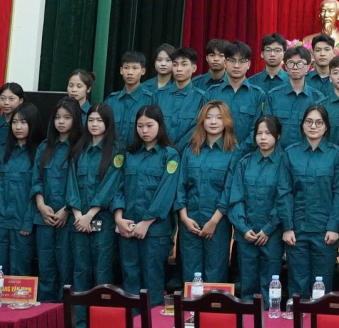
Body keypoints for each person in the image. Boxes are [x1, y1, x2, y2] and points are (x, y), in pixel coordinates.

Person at [277, 105, 339, 298]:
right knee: (297, 284)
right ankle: (297, 317)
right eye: (309, 122)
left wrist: (334, 227)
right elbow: (284, 192)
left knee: (321, 285)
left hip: (325, 232)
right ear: (302, 125)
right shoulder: (290, 153)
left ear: (326, 127)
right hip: (297, 231)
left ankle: (320, 317)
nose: (313, 126)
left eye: (319, 122)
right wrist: (287, 227)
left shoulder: (335, 154)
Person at [114, 105, 180, 304]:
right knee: (130, 279)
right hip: (127, 227)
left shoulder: (170, 155)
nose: (144, 130)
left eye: (149, 125)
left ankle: (151, 323)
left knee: (152, 281)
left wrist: (146, 222)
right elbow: (118, 187)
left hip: (155, 231)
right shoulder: (129, 154)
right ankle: (132, 323)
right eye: (140, 126)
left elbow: (165, 194)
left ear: (160, 125)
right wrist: (118, 218)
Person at [68, 103, 121, 328]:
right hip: (79, 221)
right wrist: (78, 214)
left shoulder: (116, 151)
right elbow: (71, 184)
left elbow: (111, 185)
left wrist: (90, 214)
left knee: (102, 275)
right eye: (91, 120)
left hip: (103, 221)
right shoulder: (78, 149)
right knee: (80, 274)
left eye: (100, 120)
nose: (95, 124)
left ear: (108, 123)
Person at [177, 101, 236, 283]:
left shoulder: (233, 151)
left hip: (218, 223)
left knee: (214, 276)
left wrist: (214, 221)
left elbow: (230, 191)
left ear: (227, 121)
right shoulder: (190, 150)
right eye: (208, 117)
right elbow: (181, 186)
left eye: (219, 117)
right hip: (190, 222)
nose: (213, 122)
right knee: (190, 276)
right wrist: (184, 218)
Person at [229, 115, 284, 307]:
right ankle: (247, 323)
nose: (263, 137)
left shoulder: (284, 163)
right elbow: (235, 199)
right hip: (247, 235)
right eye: (259, 133)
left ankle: (270, 320)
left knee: (270, 286)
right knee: (247, 285)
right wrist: (243, 229)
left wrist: (268, 229)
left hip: (272, 235)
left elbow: (284, 199)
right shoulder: (244, 163)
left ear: (278, 136)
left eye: (268, 133)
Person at [32, 98, 80, 300]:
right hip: (44, 217)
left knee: (66, 269)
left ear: (75, 120)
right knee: (45, 268)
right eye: (58, 117)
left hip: (67, 219)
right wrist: (41, 205)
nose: (61, 121)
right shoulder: (44, 147)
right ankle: (46, 312)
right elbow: (36, 179)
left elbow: (79, 185)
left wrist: (67, 210)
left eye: (67, 117)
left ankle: (64, 312)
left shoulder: (80, 148)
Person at [0, 103, 41, 277]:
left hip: (22, 223)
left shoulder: (39, 153)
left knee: (20, 273)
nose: (18, 127)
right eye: (15, 122)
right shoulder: (2, 151)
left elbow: (38, 190)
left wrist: (28, 221)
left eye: (23, 122)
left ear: (32, 124)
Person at [265, 46, 321, 148]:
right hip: (278, 153)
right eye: (291, 63)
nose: (295, 67)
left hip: (304, 154)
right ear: (286, 67)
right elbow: (267, 128)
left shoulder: (317, 98)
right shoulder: (273, 96)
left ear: (308, 67)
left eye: (300, 63)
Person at [215, 43, 267, 148]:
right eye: (232, 60)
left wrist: (240, 151)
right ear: (225, 63)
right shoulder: (212, 93)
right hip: (216, 153)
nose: (236, 66)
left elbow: (258, 129)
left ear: (248, 64)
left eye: (242, 61)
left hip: (247, 154)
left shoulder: (258, 95)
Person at [105, 51, 156, 147]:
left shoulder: (150, 99)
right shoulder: (111, 100)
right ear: (121, 70)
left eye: (135, 68)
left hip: (138, 153)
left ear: (143, 71)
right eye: (126, 68)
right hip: (112, 152)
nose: (130, 72)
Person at [158, 47, 207, 142]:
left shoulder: (201, 97)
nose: (179, 69)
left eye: (184, 64)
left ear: (194, 68)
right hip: (161, 149)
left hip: (188, 149)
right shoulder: (158, 95)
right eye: (175, 65)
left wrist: (175, 149)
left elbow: (197, 129)